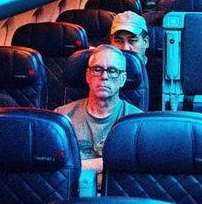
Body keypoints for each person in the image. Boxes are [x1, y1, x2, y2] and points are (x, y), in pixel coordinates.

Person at [55, 45, 141, 175]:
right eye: (97, 69)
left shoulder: (138, 122)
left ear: (122, 79)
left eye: (112, 71)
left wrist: (75, 166)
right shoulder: (62, 117)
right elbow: (55, 168)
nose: (104, 76)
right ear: (88, 76)